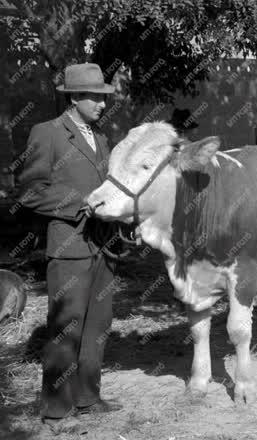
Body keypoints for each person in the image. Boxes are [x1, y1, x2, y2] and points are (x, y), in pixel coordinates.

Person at [16, 63, 122, 431]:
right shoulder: (47, 133)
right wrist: (81, 203)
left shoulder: (102, 138)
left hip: (104, 248)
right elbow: (30, 191)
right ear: (74, 98)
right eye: (95, 98)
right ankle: (56, 411)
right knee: (66, 328)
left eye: (104, 98)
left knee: (98, 325)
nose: (102, 105)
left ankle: (88, 398)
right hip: (70, 248)